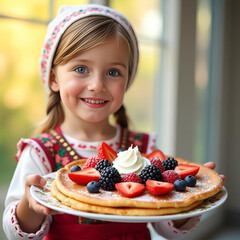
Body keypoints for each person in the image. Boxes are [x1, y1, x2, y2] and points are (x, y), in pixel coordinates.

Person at [3, 4, 225, 240]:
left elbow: (167, 226)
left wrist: (193, 195)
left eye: (113, 72)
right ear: (53, 77)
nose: (97, 85)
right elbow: (17, 235)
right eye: (81, 68)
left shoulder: (145, 150)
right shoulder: (40, 152)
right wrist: (30, 202)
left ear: (128, 80)